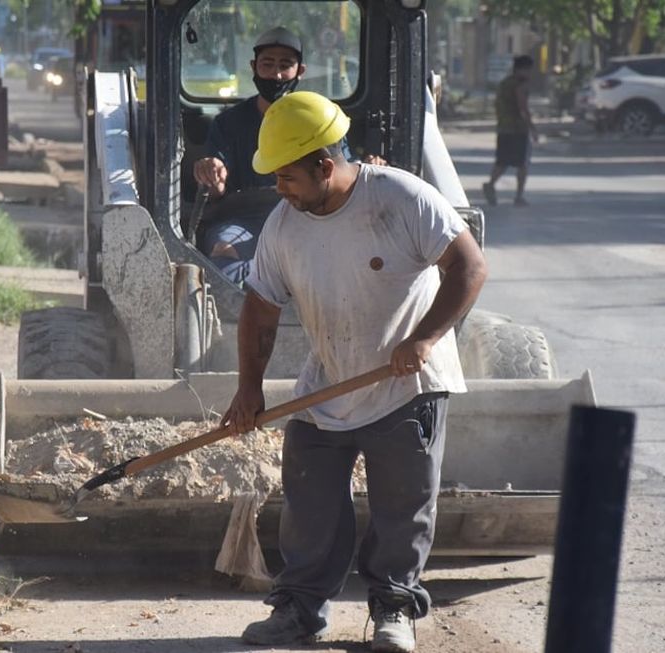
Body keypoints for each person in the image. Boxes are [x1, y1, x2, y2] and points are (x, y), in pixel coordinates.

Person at [222, 92, 487, 652]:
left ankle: (394, 607)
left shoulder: (400, 197)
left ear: (324, 165)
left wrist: (424, 338)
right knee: (309, 502)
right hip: (327, 384)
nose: (279, 188)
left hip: (406, 385)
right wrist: (248, 388)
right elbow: (261, 308)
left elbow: (469, 265)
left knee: (401, 507)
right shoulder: (283, 226)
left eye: (287, 176)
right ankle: (301, 609)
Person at [192, 27, 383, 285]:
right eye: (268, 64)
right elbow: (216, 188)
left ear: (300, 71)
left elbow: (344, 173)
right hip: (244, 217)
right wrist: (212, 175)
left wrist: (369, 168)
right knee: (223, 253)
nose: (277, 74)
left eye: (285, 65)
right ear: (254, 67)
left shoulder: (322, 119)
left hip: (312, 214)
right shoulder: (228, 123)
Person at [482, 55, 538, 207]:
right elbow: (523, 108)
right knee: (522, 164)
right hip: (517, 129)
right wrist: (532, 128)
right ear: (523, 69)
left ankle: (490, 184)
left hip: (503, 127)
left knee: (502, 161)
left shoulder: (505, 83)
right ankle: (519, 196)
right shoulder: (521, 85)